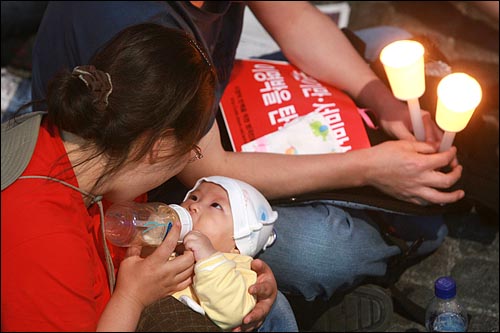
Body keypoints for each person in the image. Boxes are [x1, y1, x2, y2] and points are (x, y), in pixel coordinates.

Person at [30, 1, 464, 329]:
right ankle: (338, 283)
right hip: (150, 168)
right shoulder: (137, 25)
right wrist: (367, 168)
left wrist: (380, 100)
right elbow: (205, 163)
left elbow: (295, 20)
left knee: (389, 44)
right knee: (327, 251)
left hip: (197, 121)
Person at [1, 23, 297, 332]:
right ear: (161, 144)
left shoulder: (91, 153)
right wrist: (133, 297)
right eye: (191, 151)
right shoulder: (44, 240)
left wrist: (238, 285)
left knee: (272, 307)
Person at [164, 175, 279, 330]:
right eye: (194, 197)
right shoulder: (166, 245)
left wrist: (209, 259)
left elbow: (232, 313)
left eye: (216, 205)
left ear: (237, 246)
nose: (194, 206)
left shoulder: (239, 269)